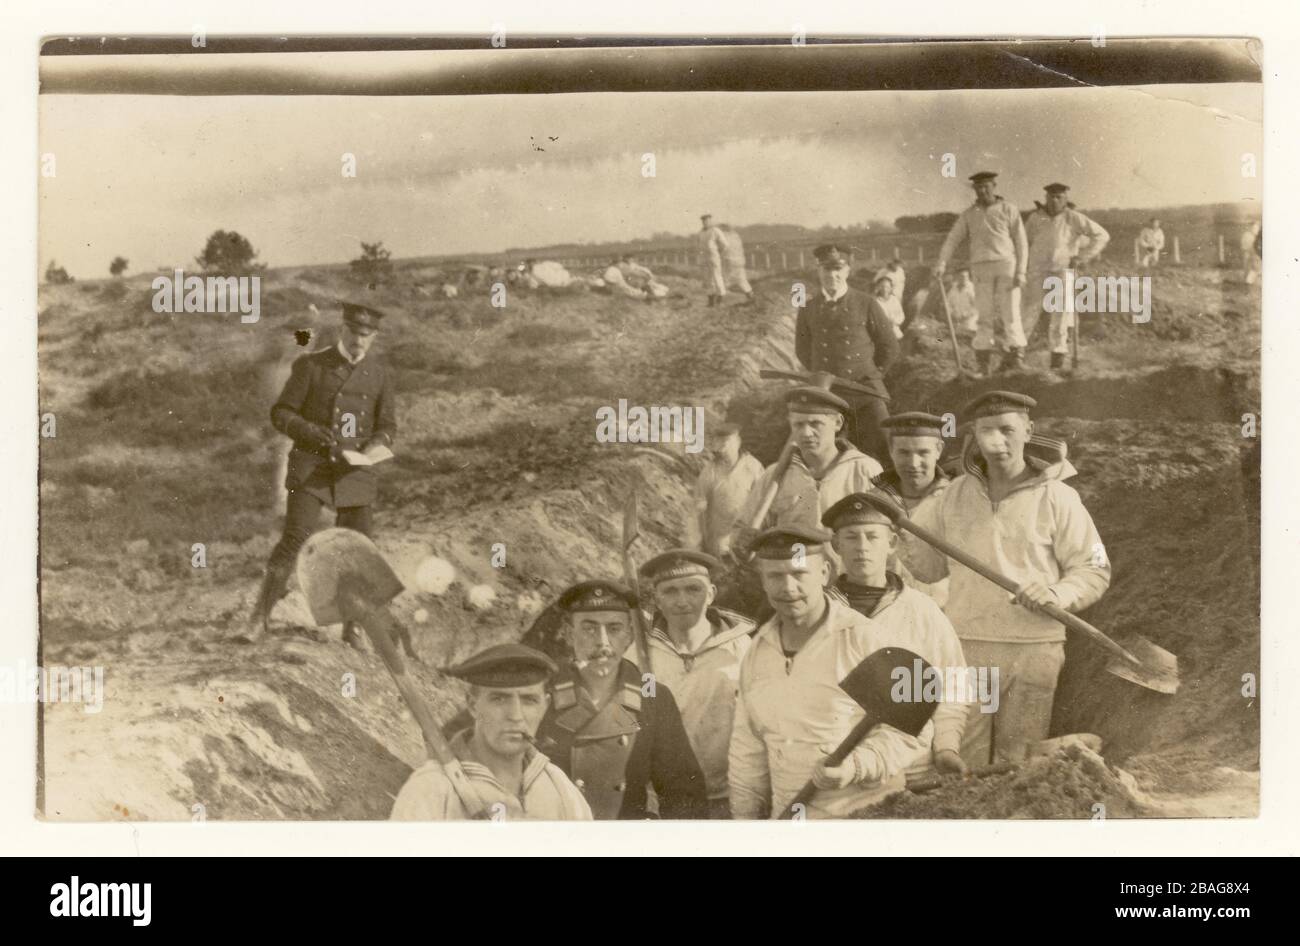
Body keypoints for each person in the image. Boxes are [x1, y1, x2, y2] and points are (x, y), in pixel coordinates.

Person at [908, 391, 1111, 768]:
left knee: (1017, 761)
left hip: (1034, 649)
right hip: (966, 647)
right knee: (960, 760)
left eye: (1007, 429)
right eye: (986, 431)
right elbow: (927, 569)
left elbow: (1094, 568)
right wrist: (906, 533)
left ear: (1028, 430)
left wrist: (1056, 592)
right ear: (974, 436)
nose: (997, 442)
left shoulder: (1060, 498)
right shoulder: (949, 498)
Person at [728, 526, 931, 818]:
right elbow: (747, 752)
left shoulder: (867, 639)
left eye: (799, 574)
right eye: (775, 576)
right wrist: (745, 824)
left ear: (824, 573)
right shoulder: (756, 653)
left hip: (865, 820)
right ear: (762, 581)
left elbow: (917, 731)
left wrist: (856, 767)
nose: (788, 588)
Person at [248, 301, 401, 651]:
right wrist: (310, 432)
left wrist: (378, 443)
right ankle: (260, 616)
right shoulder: (311, 366)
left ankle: (354, 628)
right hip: (313, 468)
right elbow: (281, 413)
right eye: (354, 333)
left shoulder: (380, 376)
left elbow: (387, 424)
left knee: (359, 549)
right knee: (295, 538)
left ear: (374, 337)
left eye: (367, 336)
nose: (359, 341)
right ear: (342, 330)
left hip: (355, 473)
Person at [534, 580, 709, 819]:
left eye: (614, 629)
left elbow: (683, 793)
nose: (603, 642)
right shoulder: (539, 694)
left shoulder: (653, 699)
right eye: (589, 628)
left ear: (629, 635)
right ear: (568, 633)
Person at [821, 494, 968, 777]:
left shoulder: (923, 611)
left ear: (891, 544)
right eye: (851, 537)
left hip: (910, 766)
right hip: (837, 766)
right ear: (836, 545)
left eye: (872, 537)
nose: (862, 547)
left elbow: (953, 684)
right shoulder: (821, 613)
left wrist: (947, 747)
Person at [390, 643, 592, 821]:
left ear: (545, 706)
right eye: (499, 699)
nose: (515, 715)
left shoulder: (560, 789)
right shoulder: (430, 790)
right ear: (472, 705)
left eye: (529, 700)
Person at [634, 550, 755, 818]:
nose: (682, 601)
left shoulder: (743, 649)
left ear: (711, 594)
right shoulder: (638, 654)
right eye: (670, 591)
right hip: (663, 800)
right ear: (657, 599)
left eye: (693, 589)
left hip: (728, 796)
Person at [730, 385, 884, 570]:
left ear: (838, 423)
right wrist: (746, 549)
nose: (806, 433)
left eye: (815, 424)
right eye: (798, 425)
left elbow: (884, 537)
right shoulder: (773, 476)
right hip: (795, 584)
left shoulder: (865, 470)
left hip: (848, 586)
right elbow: (742, 536)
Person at [793, 243, 899, 459]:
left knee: (885, 446)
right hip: (827, 393)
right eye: (826, 270)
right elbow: (802, 349)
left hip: (865, 390)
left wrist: (873, 373)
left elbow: (889, 345)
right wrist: (822, 374)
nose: (832, 275)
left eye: (838, 269)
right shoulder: (808, 308)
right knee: (818, 451)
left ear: (847, 271)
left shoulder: (866, 303)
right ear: (819, 271)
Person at [934, 171, 1029, 374]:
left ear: (994, 186)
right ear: (974, 190)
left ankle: (1016, 358)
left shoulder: (1008, 209)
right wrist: (941, 263)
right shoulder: (969, 214)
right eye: (978, 187)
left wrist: (1021, 271)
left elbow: (1021, 242)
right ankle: (983, 364)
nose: (982, 191)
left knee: (1010, 312)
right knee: (984, 314)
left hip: (1006, 265)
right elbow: (952, 239)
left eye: (986, 186)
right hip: (980, 267)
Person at [1023, 183, 1110, 370]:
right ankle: (1015, 355)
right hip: (1037, 270)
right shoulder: (1035, 218)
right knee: (1029, 310)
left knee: (1061, 314)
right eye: (1051, 197)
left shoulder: (1073, 217)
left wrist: (1082, 257)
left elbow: (1102, 235)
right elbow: (1024, 243)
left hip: (1063, 270)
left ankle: (1058, 358)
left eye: (1059, 197)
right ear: (1045, 197)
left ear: (1065, 199)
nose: (1054, 201)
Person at [871, 411, 952, 606]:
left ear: (939, 450)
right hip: (886, 612)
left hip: (944, 612)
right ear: (891, 450)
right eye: (904, 452)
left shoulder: (955, 499)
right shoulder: (872, 502)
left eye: (923, 452)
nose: (913, 463)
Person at [694, 421, 764, 559]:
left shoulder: (753, 467)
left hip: (749, 540)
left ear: (738, 442)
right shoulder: (710, 472)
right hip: (719, 543)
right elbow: (699, 508)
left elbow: (764, 503)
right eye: (719, 442)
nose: (723, 447)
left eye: (727, 442)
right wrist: (700, 541)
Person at [717, 223, 755, 303]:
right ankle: (751, 297)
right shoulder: (736, 236)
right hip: (739, 261)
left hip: (728, 261)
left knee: (723, 280)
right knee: (742, 280)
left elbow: (722, 249)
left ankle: (719, 302)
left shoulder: (723, 237)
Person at [698, 213, 729, 307]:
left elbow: (725, 245)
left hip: (713, 257)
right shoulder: (701, 232)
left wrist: (719, 253)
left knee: (717, 277)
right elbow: (699, 246)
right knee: (707, 280)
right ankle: (711, 301)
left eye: (707, 220)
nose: (705, 222)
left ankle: (720, 300)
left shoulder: (715, 231)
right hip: (704, 258)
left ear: (710, 221)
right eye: (703, 221)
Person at [872, 273, 905, 340]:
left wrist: (894, 321)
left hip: (894, 329)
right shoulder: (875, 301)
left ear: (891, 288)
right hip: (880, 331)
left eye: (887, 287)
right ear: (878, 287)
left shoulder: (894, 300)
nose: (884, 289)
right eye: (882, 286)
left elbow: (901, 315)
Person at [946, 268, 979, 334]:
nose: (964, 278)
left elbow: (976, 306)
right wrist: (952, 313)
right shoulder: (953, 288)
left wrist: (966, 315)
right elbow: (948, 303)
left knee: (967, 337)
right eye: (961, 276)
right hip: (956, 320)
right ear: (957, 277)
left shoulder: (972, 288)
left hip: (970, 321)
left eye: (966, 276)